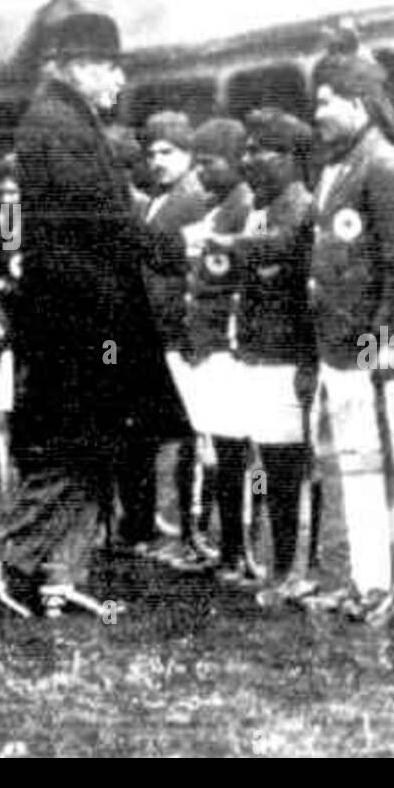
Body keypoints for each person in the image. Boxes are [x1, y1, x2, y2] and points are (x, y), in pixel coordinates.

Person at [0, 11, 188, 617]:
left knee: (101, 438)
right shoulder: (57, 121)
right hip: (83, 314)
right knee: (82, 439)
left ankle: (61, 574)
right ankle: (2, 547)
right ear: (78, 65)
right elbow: (98, 216)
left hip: (88, 309)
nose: (117, 79)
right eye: (109, 66)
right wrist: (168, 247)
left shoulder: (64, 117)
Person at [303, 37, 394, 621]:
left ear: (359, 101)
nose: (317, 111)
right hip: (337, 344)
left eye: (327, 99)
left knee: (385, 464)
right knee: (353, 462)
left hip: (371, 348)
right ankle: (367, 579)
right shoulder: (337, 166)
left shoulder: (384, 166)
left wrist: (389, 342)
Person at [198, 108, 318, 601]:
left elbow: (282, 249)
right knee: (268, 459)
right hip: (255, 350)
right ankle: (276, 562)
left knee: (286, 464)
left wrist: (228, 243)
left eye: (258, 150)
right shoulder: (263, 206)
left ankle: (294, 565)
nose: (248, 160)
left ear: (288, 156)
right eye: (245, 150)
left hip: (286, 352)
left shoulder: (299, 205)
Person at [164, 117, 259, 584]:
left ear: (237, 161)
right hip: (203, 345)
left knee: (235, 450)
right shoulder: (215, 206)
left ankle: (239, 548)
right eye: (197, 163)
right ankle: (220, 544)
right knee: (213, 447)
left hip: (227, 345)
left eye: (210, 163)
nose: (200, 172)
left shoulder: (244, 208)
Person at [136, 111, 214, 568]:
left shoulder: (195, 199)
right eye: (152, 153)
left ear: (187, 154)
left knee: (195, 433)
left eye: (168, 151)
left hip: (181, 331)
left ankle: (195, 531)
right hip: (156, 333)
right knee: (165, 433)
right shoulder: (154, 200)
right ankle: (171, 526)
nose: (158, 160)